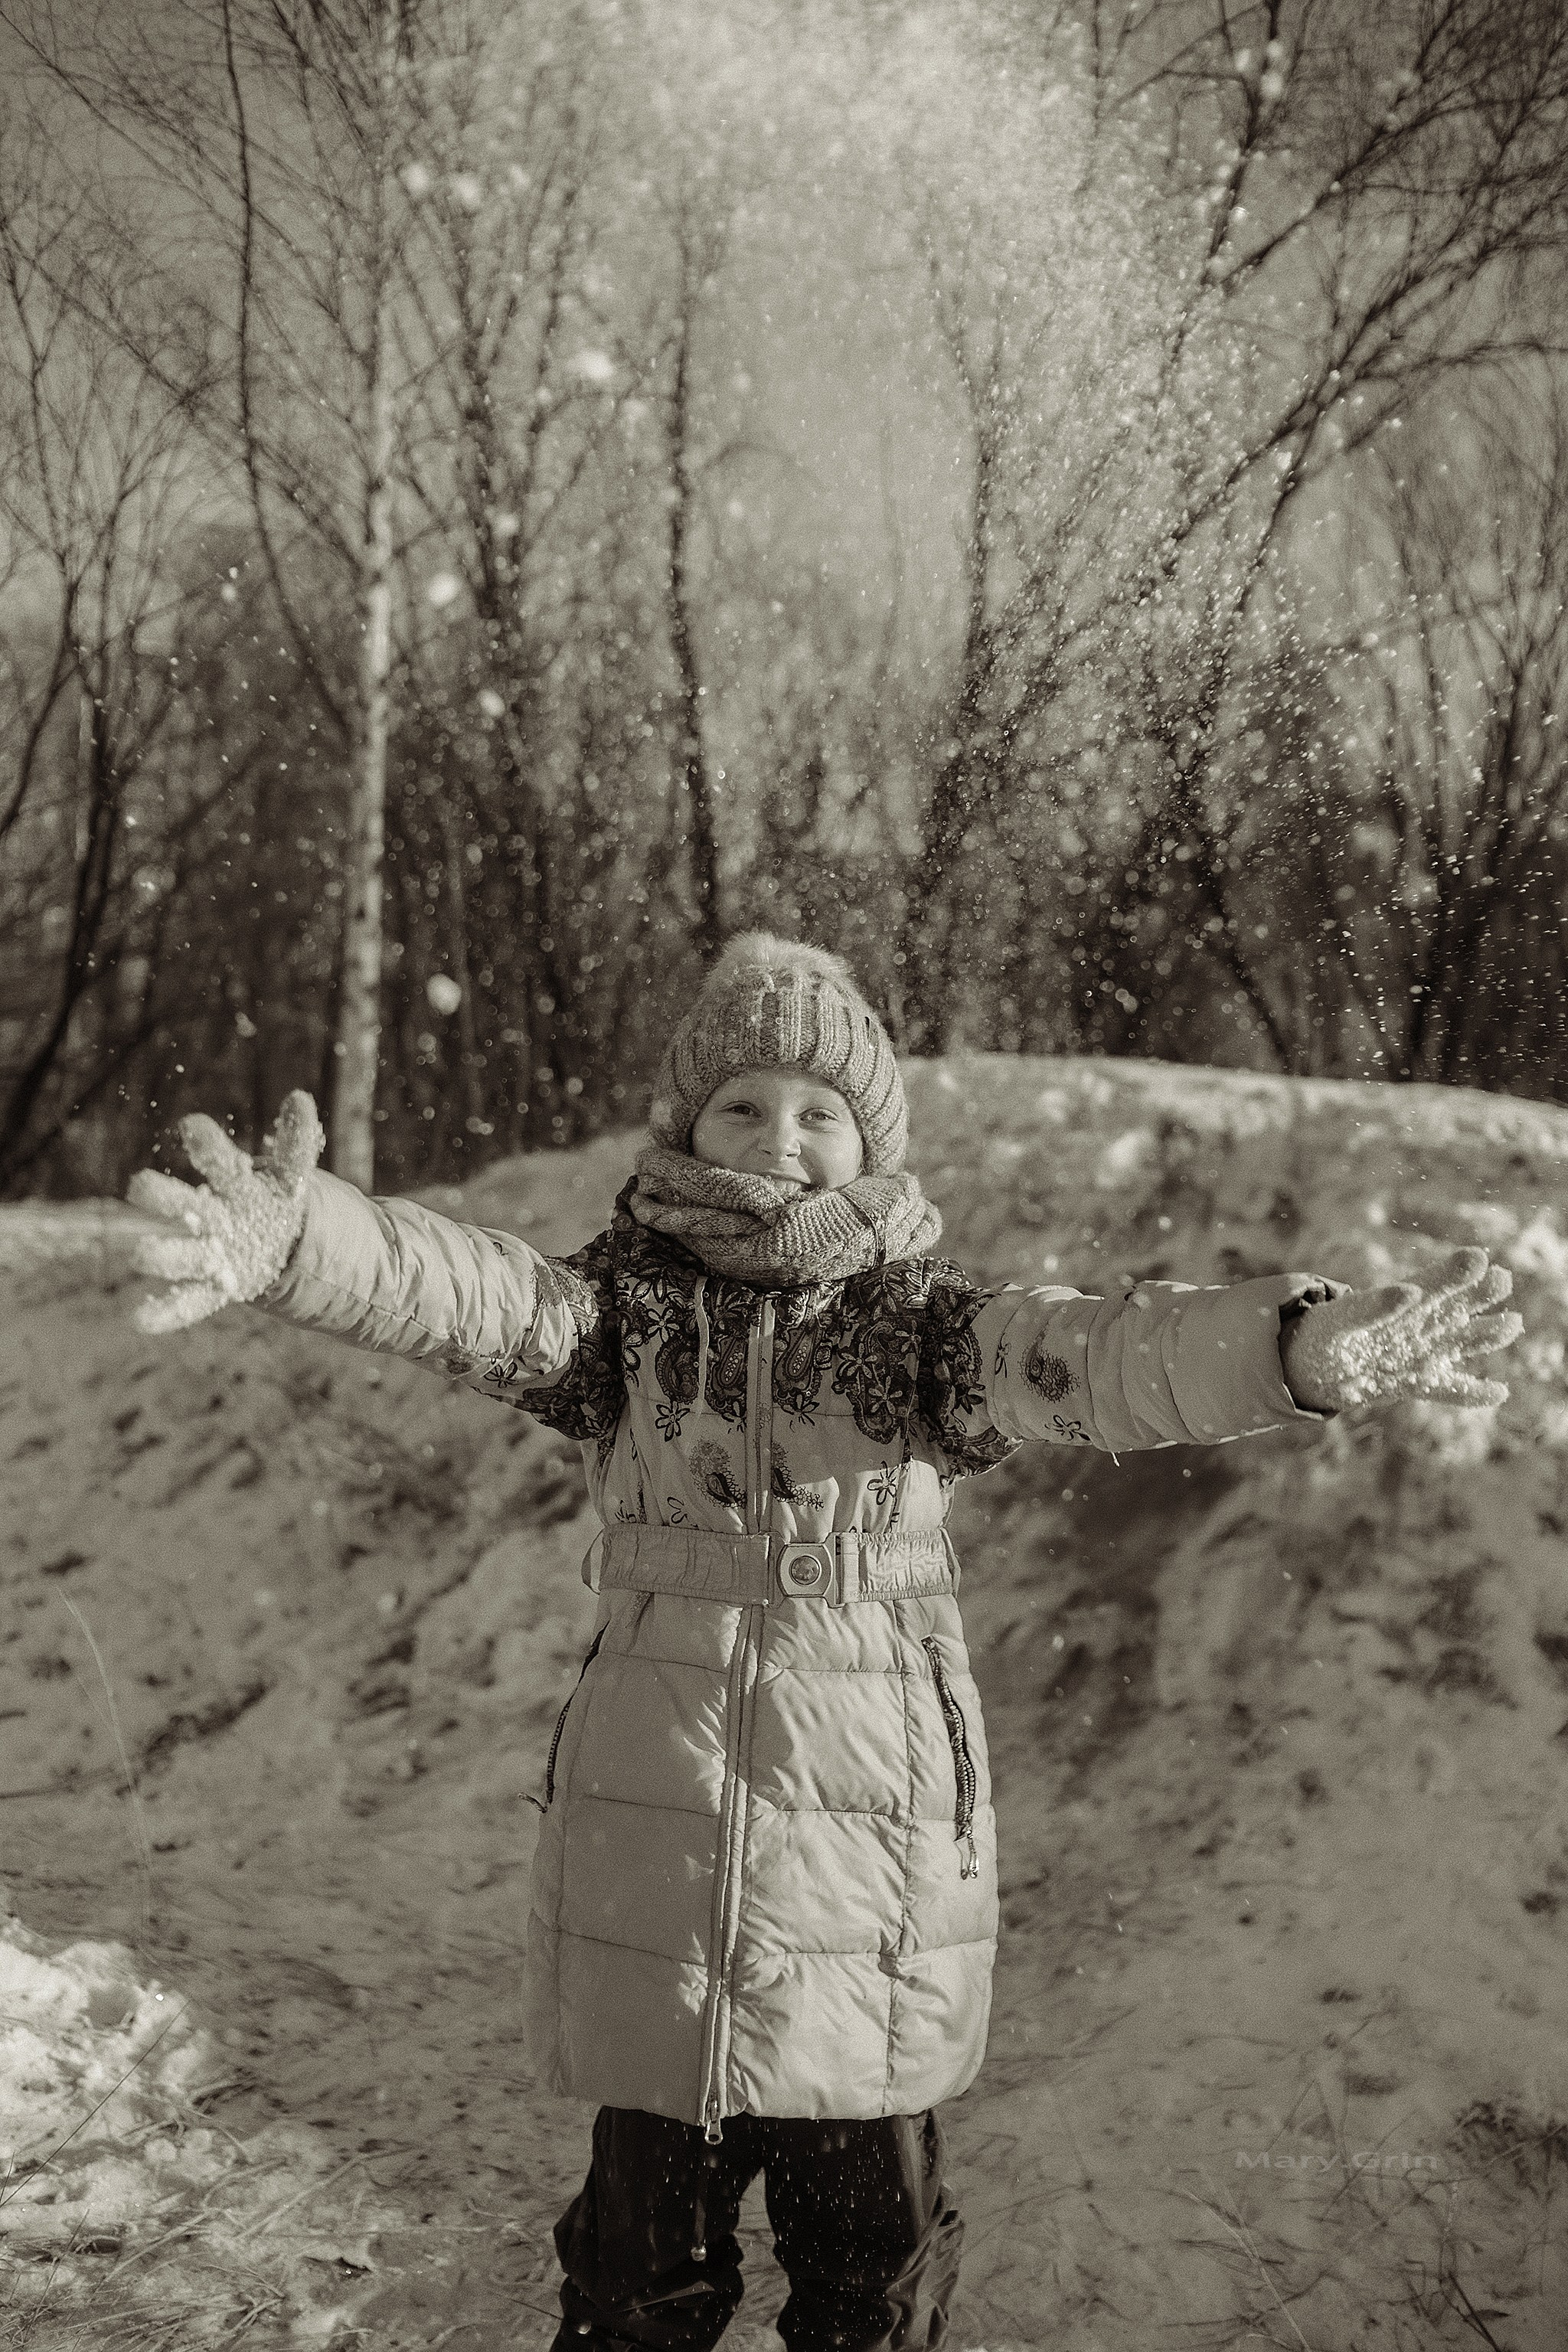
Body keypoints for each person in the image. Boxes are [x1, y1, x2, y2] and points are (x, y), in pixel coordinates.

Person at [126, 933, 1521, 2352]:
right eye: (741, 1106)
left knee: (872, 2275)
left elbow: (1097, 1356)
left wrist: (1284, 1349)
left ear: (867, 1141)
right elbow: (463, 1291)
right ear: (685, 1126)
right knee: (632, 2282)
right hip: (660, 1839)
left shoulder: (917, 1322)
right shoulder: (628, 1309)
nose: (778, 1142)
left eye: (817, 1112)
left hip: (872, 1858)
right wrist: (303, 1240)